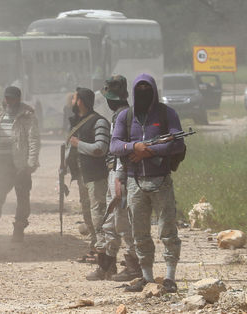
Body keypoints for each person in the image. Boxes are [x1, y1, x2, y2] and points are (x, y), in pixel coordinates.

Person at [110, 73, 185, 294]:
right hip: (135, 183)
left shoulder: (166, 113)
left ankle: (170, 277)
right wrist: (135, 148)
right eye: (139, 88)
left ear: (153, 90)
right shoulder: (126, 116)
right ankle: (147, 277)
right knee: (139, 232)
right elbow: (115, 145)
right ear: (133, 91)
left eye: (147, 88)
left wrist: (148, 150)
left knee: (168, 231)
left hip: (161, 181)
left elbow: (177, 143)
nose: (143, 91)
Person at [86, 75, 139, 281]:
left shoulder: (126, 115)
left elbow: (123, 150)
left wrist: (120, 177)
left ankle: (134, 267)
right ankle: (106, 266)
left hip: (121, 174)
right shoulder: (119, 115)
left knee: (123, 223)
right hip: (113, 172)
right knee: (109, 222)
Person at [0, 86, 40, 243]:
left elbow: (34, 140)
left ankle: (18, 231)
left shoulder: (27, 115)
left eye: (12, 98)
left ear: (18, 99)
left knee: (22, 200)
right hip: (3, 165)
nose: (8, 101)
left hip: (21, 166)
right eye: (7, 98)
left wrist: (31, 164)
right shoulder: (0, 112)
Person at [67, 88, 110, 267]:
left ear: (81, 102)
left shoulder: (98, 122)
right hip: (82, 175)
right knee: (87, 213)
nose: (71, 101)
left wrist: (79, 144)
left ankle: (104, 252)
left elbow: (100, 148)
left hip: (95, 175)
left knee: (97, 214)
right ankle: (94, 247)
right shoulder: (77, 122)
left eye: (74, 98)